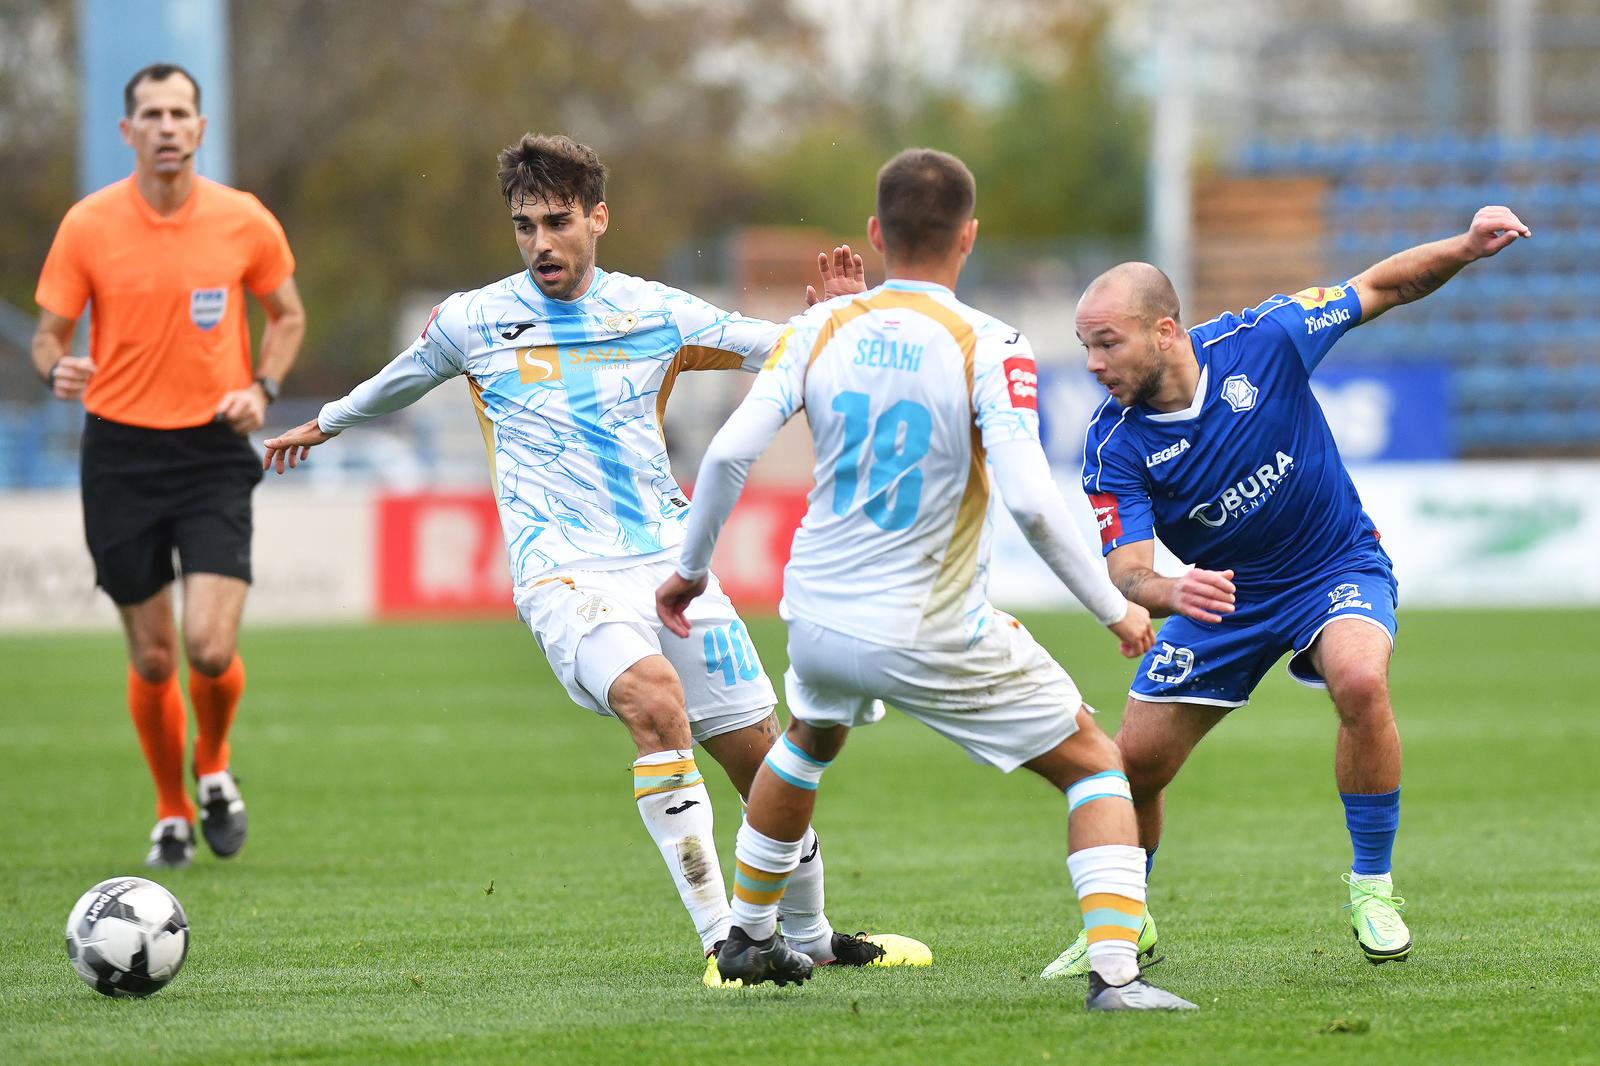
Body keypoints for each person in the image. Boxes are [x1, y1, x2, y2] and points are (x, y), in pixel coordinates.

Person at [262, 133, 928, 985]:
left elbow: (777, 346)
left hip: (667, 561)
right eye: (524, 225)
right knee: (654, 703)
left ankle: (818, 934)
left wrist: (843, 316)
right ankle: (728, 941)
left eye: (558, 221)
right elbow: (407, 373)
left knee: (764, 762)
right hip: (563, 572)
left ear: (598, 219)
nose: (541, 242)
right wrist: (326, 422)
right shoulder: (473, 319)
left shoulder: (656, 313)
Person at [657, 148, 1198, 1011]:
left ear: (876, 234)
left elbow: (726, 454)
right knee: (1097, 767)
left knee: (806, 740)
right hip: (929, 624)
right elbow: (1027, 499)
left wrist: (689, 571)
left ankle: (751, 940)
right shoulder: (991, 342)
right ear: (970, 237)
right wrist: (1114, 608)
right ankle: (1117, 978)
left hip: (822, 616)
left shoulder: (817, 326)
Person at [1040, 205, 1532, 977]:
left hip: (1332, 565)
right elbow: (1130, 573)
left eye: (1108, 342)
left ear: (1164, 330)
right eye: (1085, 347)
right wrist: (1170, 591)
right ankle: (1124, 923)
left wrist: (1467, 248)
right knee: (1130, 767)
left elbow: (1380, 287)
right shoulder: (1113, 444)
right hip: (1220, 600)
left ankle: (1373, 889)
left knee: (1361, 679)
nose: (1093, 364)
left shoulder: (1264, 339)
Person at [31, 62, 306, 869]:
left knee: (209, 650)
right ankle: (170, 810)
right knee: (153, 657)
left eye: (179, 112)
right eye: (149, 113)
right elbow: (50, 334)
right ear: (128, 131)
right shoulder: (88, 224)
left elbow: (286, 315)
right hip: (119, 451)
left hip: (213, 449)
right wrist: (56, 368)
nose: (165, 126)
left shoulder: (243, 220)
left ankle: (214, 768)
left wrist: (265, 386)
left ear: (200, 128)